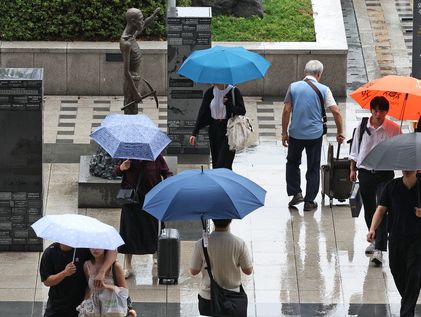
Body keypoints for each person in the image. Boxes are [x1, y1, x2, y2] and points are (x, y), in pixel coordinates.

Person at [282, 60, 345, 211]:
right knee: (313, 167)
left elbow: (286, 110)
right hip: (315, 135)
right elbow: (336, 111)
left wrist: (284, 132)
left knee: (292, 163)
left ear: (305, 73)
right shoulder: (324, 89)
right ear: (319, 74)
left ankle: (295, 192)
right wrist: (340, 131)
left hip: (296, 133)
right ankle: (309, 201)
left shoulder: (293, 87)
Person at [350, 96, 401, 265]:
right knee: (370, 209)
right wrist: (352, 169)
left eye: (382, 111)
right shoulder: (362, 126)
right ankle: (373, 237)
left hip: (385, 174)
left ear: (387, 112)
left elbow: (399, 150)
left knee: (382, 207)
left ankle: (379, 248)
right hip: (365, 172)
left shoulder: (393, 129)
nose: (378, 114)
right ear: (371, 110)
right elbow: (355, 150)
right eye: (375, 110)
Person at [367, 170, 421, 317]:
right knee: (396, 270)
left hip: (417, 239)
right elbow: (380, 209)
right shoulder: (392, 186)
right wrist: (373, 228)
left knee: (414, 275)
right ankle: (409, 299)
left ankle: (407, 312)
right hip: (396, 238)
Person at [114, 154, 173, 278]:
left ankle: (157, 256)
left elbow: (167, 172)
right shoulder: (128, 156)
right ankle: (128, 265)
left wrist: (167, 182)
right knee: (129, 233)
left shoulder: (156, 157)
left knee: (154, 230)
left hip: (151, 200)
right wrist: (122, 168)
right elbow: (115, 172)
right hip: (131, 202)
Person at [190, 219, 253, 316]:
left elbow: (194, 271)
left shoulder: (201, 244)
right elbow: (248, 270)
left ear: (213, 220)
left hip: (208, 297)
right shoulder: (240, 243)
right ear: (230, 220)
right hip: (232, 296)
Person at [39, 243, 117, 317]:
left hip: (80, 304)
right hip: (57, 304)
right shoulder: (50, 252)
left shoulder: (82, 248)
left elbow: (113, 251)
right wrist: (64, 273)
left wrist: (101, 272)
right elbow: (47, 281)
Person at [189, 84, 246, 170]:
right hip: (214, 129)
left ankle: (226, 181)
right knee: (216, 163)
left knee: (223, 162)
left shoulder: (234, 91)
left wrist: (228, 104)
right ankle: (219, 182)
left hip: (229, 130)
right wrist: (194, 132)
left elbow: (242, 111)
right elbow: (202, 113)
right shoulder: (210, 92)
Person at [120, 7, 160, 114]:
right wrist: (135, 92)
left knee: (134, 110)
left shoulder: (132, 34)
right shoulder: (126, 43)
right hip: (130, 82)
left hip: (135, 80)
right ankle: (129, 130)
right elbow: (126, 72)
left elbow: (143, 25)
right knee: (130, 111)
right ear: (133, 22)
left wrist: (152, 17)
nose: (142, 21)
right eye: (140, 19)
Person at [80, 248, 136, 317]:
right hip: (94, 310)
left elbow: (124, 292)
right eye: (92, 246)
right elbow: (89, 288)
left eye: (99, 246)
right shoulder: (87, 265)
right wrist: (84, 305)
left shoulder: (115, 266)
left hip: (111, 308)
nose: (95, 249)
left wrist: (106, 286)